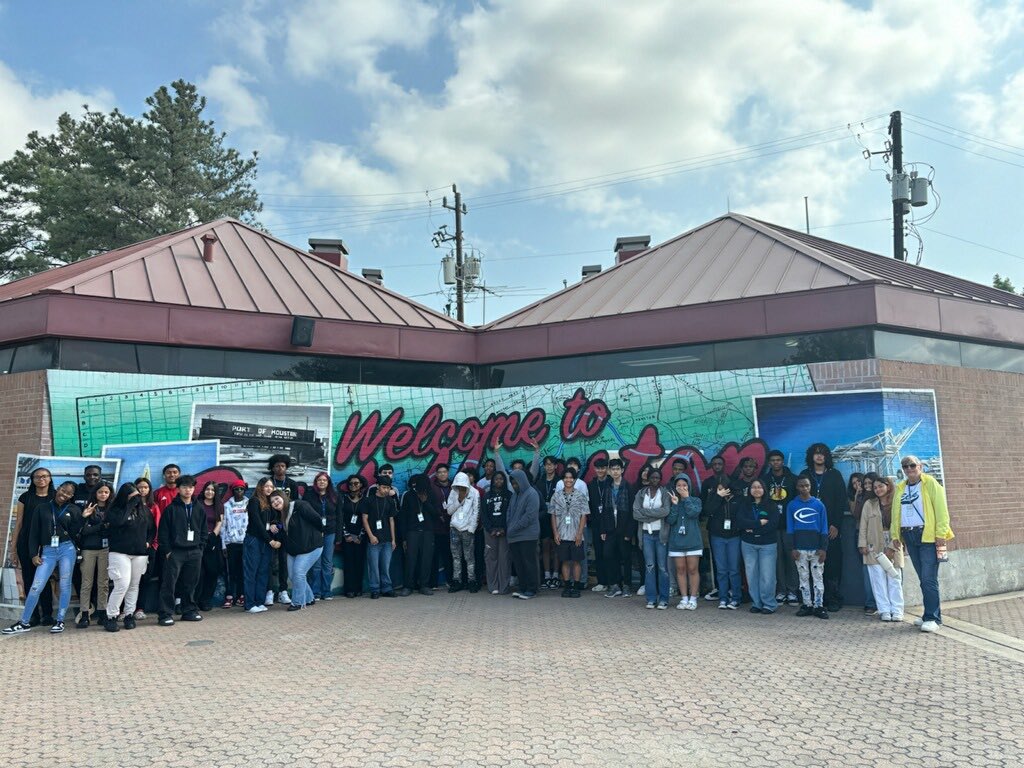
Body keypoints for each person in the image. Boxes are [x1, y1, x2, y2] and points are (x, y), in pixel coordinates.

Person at [3, 481, 82, 635]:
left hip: (67, 549)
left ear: (72, 496)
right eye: (63, 490)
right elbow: (33, 533)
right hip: (47, 551)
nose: (64, 494)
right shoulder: (42, 508)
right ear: (58, 488)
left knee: (65, 585)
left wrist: (82, 518)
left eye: (68, 493)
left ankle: (60, 621)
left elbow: (75, 533)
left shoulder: (74, 509)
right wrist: (33, 554)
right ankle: (24, 622)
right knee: (35, 586)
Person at [890, 455, 953, 633]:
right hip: (909, 535)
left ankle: (933, 618)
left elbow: (941, 509)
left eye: (912, 465)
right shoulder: (901, 487)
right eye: (905, 466)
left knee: (928, 579)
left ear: (920, 466)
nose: (909, 469)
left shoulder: (931, 484)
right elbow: (897, 513)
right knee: (922, 579)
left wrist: (941, 533)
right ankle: (928, 615)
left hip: (927, 535)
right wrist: (896, 534)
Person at [800, 443, 847, 612]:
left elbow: (841, 502)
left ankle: (832, 598)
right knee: (810, 564)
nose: (819, 456)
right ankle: (811, 600)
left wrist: (836, 525)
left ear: (827, 457)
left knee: (832, 563)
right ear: (811, 456)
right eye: (816, 453)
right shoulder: (805, 475)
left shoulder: (835, 475)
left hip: (830, 529)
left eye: (822, 454)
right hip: (809, 529)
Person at [104, 482, 156, 631]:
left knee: (134, 585)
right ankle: (112, 616)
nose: (136, 499)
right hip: (120, 552)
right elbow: (118, 522)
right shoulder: (115, 510)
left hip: (139, 553)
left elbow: (152, 529)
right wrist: (129, 505)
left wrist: (148, 542)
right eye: (132, 497)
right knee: (122, 584)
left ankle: (129, 615)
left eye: (137, 496)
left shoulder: (145, 511)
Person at [157, 475, 206, 626]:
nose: (188, 490)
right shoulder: (171, 509)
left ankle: (189, 610)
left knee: (191, 582)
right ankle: (165, 614)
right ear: (178, 489)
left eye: (191, 487)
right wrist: (168, 551)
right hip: (175, 552)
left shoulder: (198, 507)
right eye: (184, 487)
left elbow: (204, 529)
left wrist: (201, 547)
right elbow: (163, 532)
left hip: (194, 551)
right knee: (169, 583)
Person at [10, 466, 55, 627]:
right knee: (29, 579)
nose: (41, 479)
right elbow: (19, 523)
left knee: (46, 579)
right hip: (26, 544)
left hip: (49, 545)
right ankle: (34, 615)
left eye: (44, 476)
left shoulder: (55, 497)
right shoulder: (25, 497)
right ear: (32, 480)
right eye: (37, 477)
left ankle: (48, 614)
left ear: (50, 478)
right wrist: (13, 549)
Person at [859, 473, 904, 622]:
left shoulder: (897, 502)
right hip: (874, 544)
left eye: (880, 486)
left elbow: (900, 524)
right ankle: (884, 610)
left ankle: (897, 610)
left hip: (894, 542)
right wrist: (862, 544)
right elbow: (863, 525)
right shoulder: (869, 504)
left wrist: (892, 545)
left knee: (894, 577)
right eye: (875, 487)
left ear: (888, 486)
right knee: (877, 578)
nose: (878, 489)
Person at [786, 476, 830, 619]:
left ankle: (819, 605)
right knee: (803, 578)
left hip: (817, 549)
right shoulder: (792, 505)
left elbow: (824, 527)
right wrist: (792, 547)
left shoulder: (819, 505)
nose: (804, 488)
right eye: (801, 486)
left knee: (818, 578)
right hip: (800, 549)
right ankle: (807, 604)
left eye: (807, 485)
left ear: (810, 487)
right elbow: (790, 528)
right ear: (797, 487)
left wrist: (823, 548)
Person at [762, 450, 799, 606]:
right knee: (776, 560)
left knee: (791, 558)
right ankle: (781, 591)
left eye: (778, 460)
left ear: (782, 461)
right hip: (772, 526)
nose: (776, 462)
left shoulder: (792, 479)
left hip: (790, 526)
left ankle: (792, 591)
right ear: (769, 462)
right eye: (773, 460)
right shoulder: (764, 480)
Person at [277, 491, 324, 612]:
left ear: (284, 497)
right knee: (294, 576)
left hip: (311, 546)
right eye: (272, 501)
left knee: (299, 573)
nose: (275, 502)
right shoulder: (281, 514)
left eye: (277, 499)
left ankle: (298, 602)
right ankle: (309, 598)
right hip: (294, 550)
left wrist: (315, 534)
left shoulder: (300, 505)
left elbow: (317, 519)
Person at [738, 479, 780, 614]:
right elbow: (741, 521)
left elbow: (773, 524)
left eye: (759, 487)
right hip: (748, 544)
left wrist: (752, 528)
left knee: (767, 575)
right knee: (751, 575)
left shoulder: (771, 505)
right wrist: (758, 523)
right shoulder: (744, 504)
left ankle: (769, 604)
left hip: (767, 544)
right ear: (749, 490)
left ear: (764, 489)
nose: (756, 489)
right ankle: (756, 603)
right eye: (753, 487)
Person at [633, 467, 671, 610]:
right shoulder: (641, 493)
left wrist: (646, 513)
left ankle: (664, 599)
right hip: (646, 535)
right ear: (648, 479)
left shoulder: (665, 493)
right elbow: (636, 514)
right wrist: (656, 514)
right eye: (652, 478)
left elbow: (666, 511)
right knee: (650, 567)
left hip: (660, 535)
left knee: (662, 567)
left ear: (660, 480)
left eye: (657, 478)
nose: (655, 480)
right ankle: (651, 598)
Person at [76, 481, 113, 629]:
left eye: (106, 492)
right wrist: (87, 518)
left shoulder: (113, 509)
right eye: (100, 492)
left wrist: (96, 528)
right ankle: (85, 613)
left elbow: (113, 530)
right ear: (95, 493)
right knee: (86, 582)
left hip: (106, 549)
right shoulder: (88, 507)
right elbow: (83, 531)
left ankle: (102, 612)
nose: (103, 495)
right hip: (88, 549)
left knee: (103, 582)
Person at [550, 467, 589, 598]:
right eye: (566, 477)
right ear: (563, 479)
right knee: (565, 561)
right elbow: (553, 515)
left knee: (577, 561)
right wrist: (555, 533)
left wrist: (579, 533)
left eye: (571, 477)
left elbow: (584, 515)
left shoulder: (580, 495)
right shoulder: (556, 495)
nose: (568, 480)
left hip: (576, 534)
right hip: (562, 534)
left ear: (575, 479)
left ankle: (576, 587)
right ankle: (567, 586)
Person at [243, 478, 279, 614]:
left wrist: (276, 524)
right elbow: (257, 523)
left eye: (271, 486)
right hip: (254, 540)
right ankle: (249, 604)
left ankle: (259, 601)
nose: (269, 489)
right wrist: (269, 540)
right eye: (266, 486)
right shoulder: (254, 501)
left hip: (266, 541)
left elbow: (277, 520)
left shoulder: (272, 502)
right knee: (251, 572)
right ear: (260, 487)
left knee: (263, 572)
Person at [666, 476, 703, 610]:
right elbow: (670, 520)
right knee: (680, 570)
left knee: (693, 569)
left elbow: (694, 513)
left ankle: (693, 598)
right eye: (678, 485)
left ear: (689, 486)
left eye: (684, 485)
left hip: (692, 541)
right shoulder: (673, 501)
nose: (681, 488)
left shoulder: (696, 500)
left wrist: (686, 498)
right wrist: (675, 505)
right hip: (677, 542)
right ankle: (684, 598)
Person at [706, 477, 742, 610]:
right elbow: (708, 511)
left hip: (734, 537)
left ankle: (736, 598)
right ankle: (722, 598)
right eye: (718, 488)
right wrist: (717, 496)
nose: (721, 491)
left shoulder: (738, 498)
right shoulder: (714, 497)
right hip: (718, 537)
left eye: (723, 488)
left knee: (734, 569)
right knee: (721, 570)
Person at [399, 474, 438, 596]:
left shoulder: (431, 494)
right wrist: (404, 537)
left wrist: (425, 502)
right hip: (412, 532)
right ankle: (408, 586)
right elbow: (403, 518)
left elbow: (436, 514)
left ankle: (424, 585)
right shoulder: (409, 496)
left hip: (428, 532)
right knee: (410, 559)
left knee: (426, 559)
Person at [602, 458, 635, 598]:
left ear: (622, 470)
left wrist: (629, 531)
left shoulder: (628, 486)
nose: (615, 471)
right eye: (612, 469)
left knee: (626, 557)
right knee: (608, 555)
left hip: (624, 529)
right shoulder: (607, 486)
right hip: (610, 528)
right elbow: (604, 509)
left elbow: (633, 511)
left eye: (617, 469)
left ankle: (626, 585)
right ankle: (614, 585)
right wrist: (603, 529)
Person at [361, 474, 398, 599]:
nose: (386, 490)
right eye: (383, 487)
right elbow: (364, 519)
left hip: (387, 538)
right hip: (374, 540)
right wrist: (371, 536)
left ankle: (387, 588)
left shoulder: (390, 501)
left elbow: (391, 520)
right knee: (374, 566)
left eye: (388, 488)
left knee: (385, 565)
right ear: (377, 486)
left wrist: (393, 539)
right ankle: (375, 589)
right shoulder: (369, 500)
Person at [506, 469, 541, 600]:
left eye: (516, 483)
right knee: (519, 563)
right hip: (514, 535)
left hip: (528, 535)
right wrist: (509, 525)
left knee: (529, 562)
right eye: (513, 483)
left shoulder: (532, 494)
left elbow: (529, 516)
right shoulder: (515, 495)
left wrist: (513, 528)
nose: (515, 486)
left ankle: (532, 589)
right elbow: (509, 511)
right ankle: (523, 587)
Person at [267, 455, 297, 605]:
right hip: (271, 528)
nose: (280, 468)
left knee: (284, 561)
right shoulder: (268, 483)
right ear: (272, 467)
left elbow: (296, 505)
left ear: (286, 467)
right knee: (271, 562)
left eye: (283, 466)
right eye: (277, 466)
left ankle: (283, 591)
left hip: (286, 527)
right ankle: (270, 591)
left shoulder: (292, 484)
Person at [446, 472, 480, 593]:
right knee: (456, 557)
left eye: (463, 485)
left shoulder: (475, 493)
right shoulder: (453, 492)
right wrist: (459, 500)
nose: (460, 487)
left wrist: (471, 529)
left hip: (467, 530)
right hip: (454, 529)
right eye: (458, 485)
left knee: (469, 557)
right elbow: (449, 511)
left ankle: (472, 580)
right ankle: (457, 581)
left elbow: (476, 512)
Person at [306, 472, 338, 601]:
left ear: (328, 482)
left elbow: (339, 515)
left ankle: (326, 591)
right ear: (316, 482)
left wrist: (339, 535)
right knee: (316, 563)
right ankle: (315, 592)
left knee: (327, 562)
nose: (322, 482)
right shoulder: (309, 496)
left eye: (324, 480)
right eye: (319, 480)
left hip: (330, 531)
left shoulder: (334, 496)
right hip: (315, 532)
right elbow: (306, 514)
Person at [133, 477, 160, 619]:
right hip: (131, 549)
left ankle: (140, 608)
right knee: (130, 580)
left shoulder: (153, 506)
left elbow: (157, 527)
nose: (142, 490)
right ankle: (126, 608)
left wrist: (153, 545)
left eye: (145, 487)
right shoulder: (129, 506)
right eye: (139, 487)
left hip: (149, 548)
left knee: (145, 579)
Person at [195, 481, 224, 612]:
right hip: (197, 541)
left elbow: (219, 521)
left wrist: (213, 536)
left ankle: (205, 600)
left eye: (213, 490)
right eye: (208, 489)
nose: (210, 492)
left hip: (213, 541)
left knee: (212, 572)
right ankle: (194, 600)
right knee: (198, 573)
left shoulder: (219, 505)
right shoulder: (197, 503)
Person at [481, 469, 511, 595]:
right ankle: (493, 585)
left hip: (505, 532)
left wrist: (505, 528)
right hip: (490, 532)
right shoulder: (487, 496)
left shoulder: (509, 495)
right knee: (491, 558)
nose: (498, 481)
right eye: (496, 479)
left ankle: (503, 586)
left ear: (504, 481)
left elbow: (511, 514)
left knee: (504, 559)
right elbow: (483, 514)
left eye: (501, 479)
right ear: (492, 481)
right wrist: (490, 529)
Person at [534, 454, 561, 590]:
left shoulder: (560, 481)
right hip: (543, 518)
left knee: (556, 546)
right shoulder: (539, 482)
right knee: (545, 545)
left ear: (556, 466)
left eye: (551, 464)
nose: (549, 467)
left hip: (557, 517)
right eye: (547, 464)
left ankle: (555, 575)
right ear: (544, 467)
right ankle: (547, 575)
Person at [221, 480, 249, 609]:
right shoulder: (227, 506)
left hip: (245, 542)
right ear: (233, 491)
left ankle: (241, 595)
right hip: (231, 543)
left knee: (243, 570)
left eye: (241, 489)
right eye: (236, 489)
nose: (239, 491)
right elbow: (223, 526)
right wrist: (223, 545)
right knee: (231, 571)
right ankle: (229, 595)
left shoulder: (249, 503)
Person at [587, 458, 613, 592]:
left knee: (610, 554)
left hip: (610, 524)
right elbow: (589, 504)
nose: (600, 471)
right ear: (595, 469)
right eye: (598, 468)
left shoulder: (612, 482)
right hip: (596, 524)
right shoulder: (591, 485)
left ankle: (612, 582)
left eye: (603, 468)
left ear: (607, 469)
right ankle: (602, 581)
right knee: (599, 553)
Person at [339, 475, 366, 598]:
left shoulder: (365, 500)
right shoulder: (343, 499)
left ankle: (358, 588)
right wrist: (346, 534)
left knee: (359, 563)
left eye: (356, 483)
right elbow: (341, 518)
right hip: (347, 536)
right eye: (351, 484)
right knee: (348, 563)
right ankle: (349, 589)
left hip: (360, 537)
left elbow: (367, 519)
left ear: (361, 485)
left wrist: (360, 536)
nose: (353, 486)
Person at [429, 463, 453, 589]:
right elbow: (431, 505)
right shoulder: (432, 487)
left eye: (444, 472)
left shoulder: (453, 486)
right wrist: (439, 515)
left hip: (451, 527)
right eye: (440, 472)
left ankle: (450, 580)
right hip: (436, 527)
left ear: (448, 473)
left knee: (448, 556)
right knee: (434, 556)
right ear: (436, 474)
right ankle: (433, 583)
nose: (442, 474)